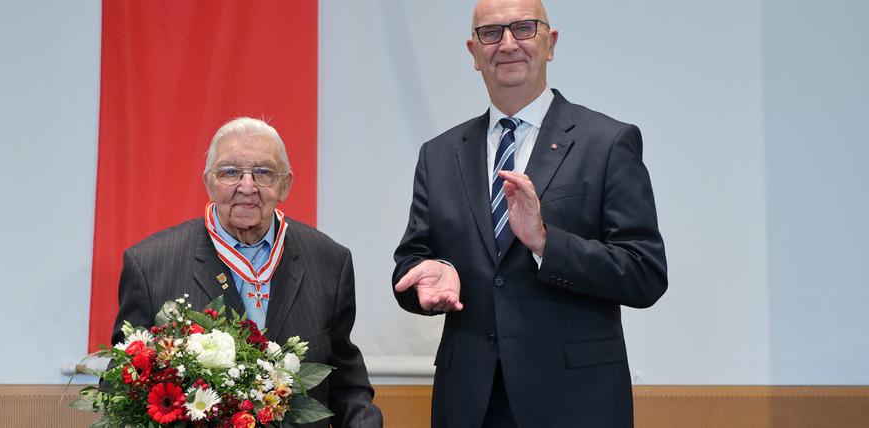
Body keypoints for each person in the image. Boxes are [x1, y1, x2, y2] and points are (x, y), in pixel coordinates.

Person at [391, 0, 668, 426]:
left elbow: (644, 273)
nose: (507, 44)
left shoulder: (608, 143)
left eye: (523, 28)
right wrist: (431, 277)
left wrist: (545, 242)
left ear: (550, 43)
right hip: (470, 403)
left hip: (575, 404)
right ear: (474, 53)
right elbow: (411, 263)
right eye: (491, 33)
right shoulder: (439, 154)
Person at [112, 117, 383, 427]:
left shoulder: (330, 262)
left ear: (285, 184)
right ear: (209, 183)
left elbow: (348, 387)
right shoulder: (150, 266)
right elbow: (122, 389)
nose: (247, 186)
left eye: (264, 172)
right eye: (230, 172)